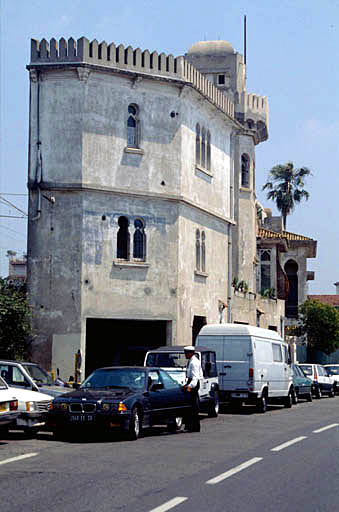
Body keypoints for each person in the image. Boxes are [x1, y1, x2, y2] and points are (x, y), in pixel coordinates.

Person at [183, 345, 203, 432]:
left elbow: (195, 377)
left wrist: (189, 387)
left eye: (186, 353)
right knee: (191, 406)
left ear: (191, 353)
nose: (185, 355)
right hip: (191, 382)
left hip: (193, 384)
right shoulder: (192, 361)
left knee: (193, 406)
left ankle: (194, 426)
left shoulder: (194, 362)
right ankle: (191, 425)